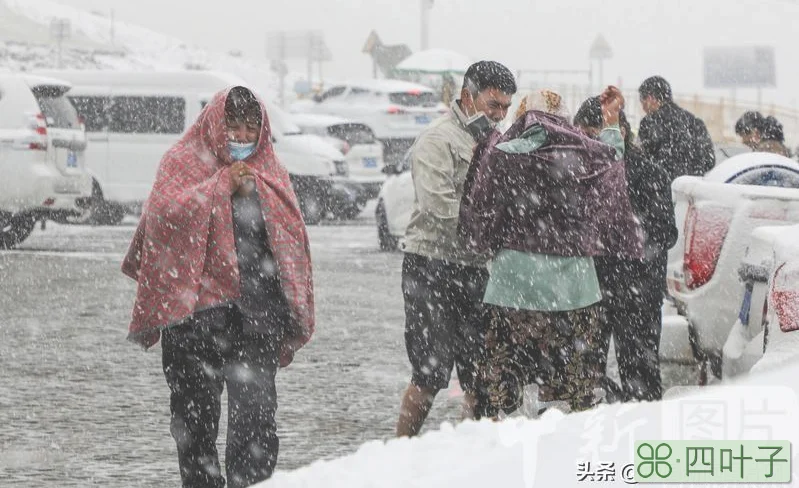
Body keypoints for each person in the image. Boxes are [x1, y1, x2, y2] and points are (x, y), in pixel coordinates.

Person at [121, 86, 314, 488]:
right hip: (193, 321)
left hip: (256, 319)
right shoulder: (181, 161)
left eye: (250, 128)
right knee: (194, 427)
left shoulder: (269, 170)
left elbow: (292, 237)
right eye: (233, 127)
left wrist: (254, 194)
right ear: (214, 124)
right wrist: (218, 188)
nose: (241, 137)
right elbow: (162, 219)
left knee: (257, 423)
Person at [458, 87, 644, 416]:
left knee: (503, 374)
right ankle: (561, 436)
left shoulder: (503, 153)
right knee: (572, 381)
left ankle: (499, 436)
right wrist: (612, 121)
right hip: (573, 286)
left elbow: (482, 203)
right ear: (564, 117)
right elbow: (613, 158)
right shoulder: (584, 154)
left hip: (513, 281)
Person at [395, 61, 516, 437]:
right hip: (432, 265)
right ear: (468, 96)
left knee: (480, 373)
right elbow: (436, 205)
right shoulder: (438, 139)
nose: (498, 116)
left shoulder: (498, 144)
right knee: (430, 373)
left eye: (505, 109)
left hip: (476, 269)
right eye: (492, 105)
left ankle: (471, 457)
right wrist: (484, 230)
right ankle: (398, 451)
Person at [575, 97, 678, 402]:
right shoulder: (583, 173)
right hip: (603, 287)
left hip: (631, 289)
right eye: (583, 136)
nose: (588, 143)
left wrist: (623, 241)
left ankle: (637, 432)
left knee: (633, 373)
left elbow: (665, 232)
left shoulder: (647, 173)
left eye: (593, 134)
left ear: (619, 130)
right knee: (592, 374)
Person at [638, 76, 716, 180]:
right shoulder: (695, 122)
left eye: (641, 99)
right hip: (691, 189)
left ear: (650, 98)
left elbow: (643, 160)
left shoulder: (649, 122)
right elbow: (710, 160)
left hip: (661, 188)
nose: (642, 105)